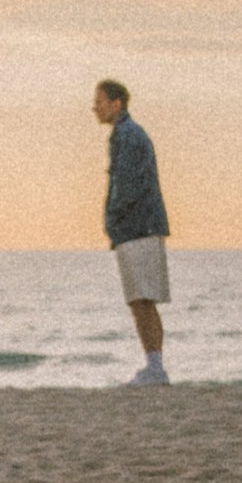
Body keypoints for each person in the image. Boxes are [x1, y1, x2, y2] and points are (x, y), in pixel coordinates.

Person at [92, 78, 171, 382]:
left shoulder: (126, 135)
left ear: (116, 104)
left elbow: (126, 186)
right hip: (140, 226)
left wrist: (113, 218)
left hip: (137, 228)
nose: (95, 108)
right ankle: (154, 365)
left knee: (141, 300)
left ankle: (155, 367)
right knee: (142, 300)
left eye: (99, 102)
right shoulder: (127, 134)